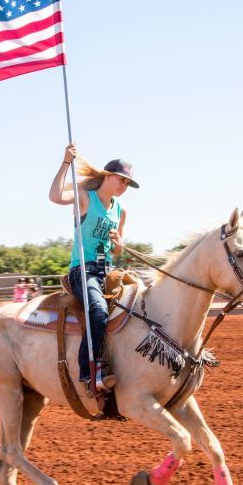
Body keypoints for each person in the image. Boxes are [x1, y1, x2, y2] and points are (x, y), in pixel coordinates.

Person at [48, 143, 138, 392]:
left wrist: (119, 243)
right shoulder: (86, 197)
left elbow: (117, 250)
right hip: (83, 270)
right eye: (122, 180)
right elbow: (55, 196)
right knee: (98, 310)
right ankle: (90, 373)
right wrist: (66, 162)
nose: (124, 186)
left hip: (107, 270)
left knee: (141, 303)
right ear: (108, 176)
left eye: (128, 184)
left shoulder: (120, 211)